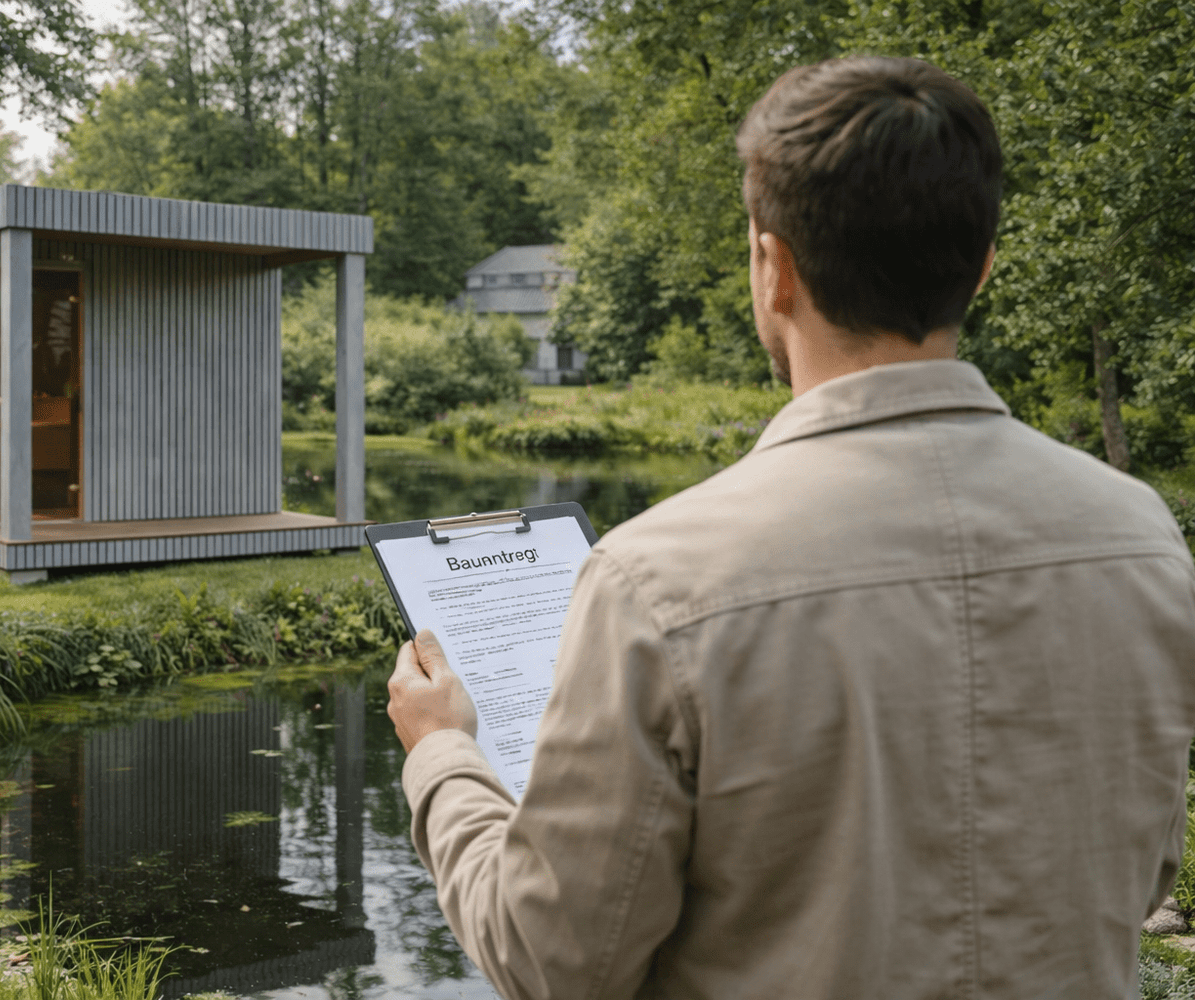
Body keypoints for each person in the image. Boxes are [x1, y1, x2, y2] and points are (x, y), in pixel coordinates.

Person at [386, 56, 1195, 1000]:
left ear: (774, 271)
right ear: (982, 265)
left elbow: (550, 958)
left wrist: (443, 751)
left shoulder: (658, 580)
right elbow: (1140, 876)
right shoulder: (1142, 541)